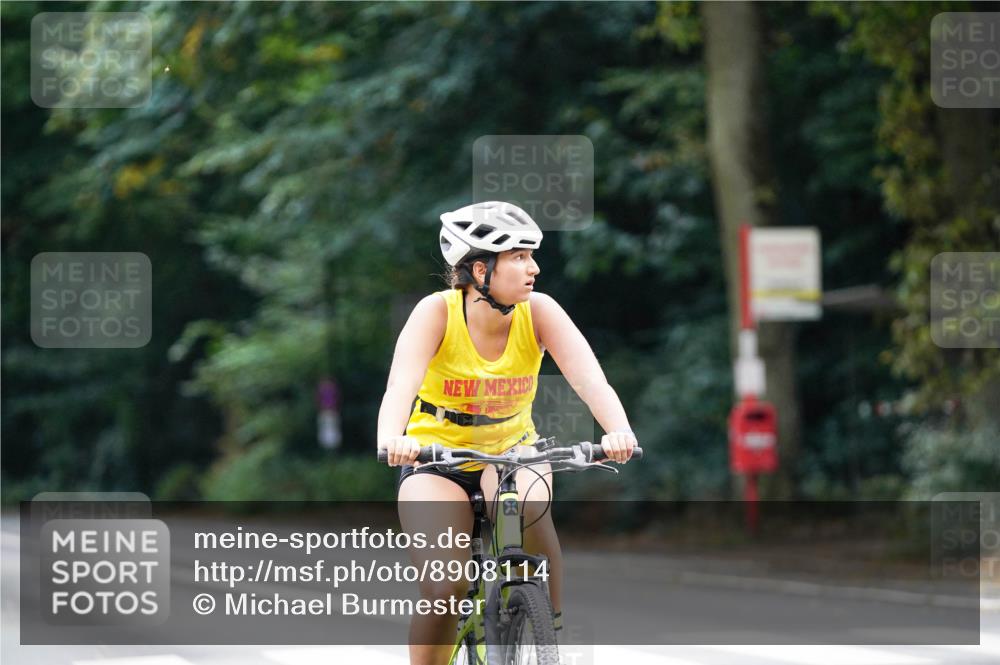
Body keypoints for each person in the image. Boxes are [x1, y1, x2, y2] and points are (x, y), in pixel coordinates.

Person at [377, 201, 638, 665]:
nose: (533, 268)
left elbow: (589, 380)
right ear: (480, 269)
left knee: (531, 509)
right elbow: (402, 384)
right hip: (436, 458)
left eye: (531, 256)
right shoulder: (435, 313)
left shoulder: (540, 312)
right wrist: (393, 438)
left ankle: (546, 633)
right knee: (445, 587)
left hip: (514, 449)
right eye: (518, 257)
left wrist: (618, 430)